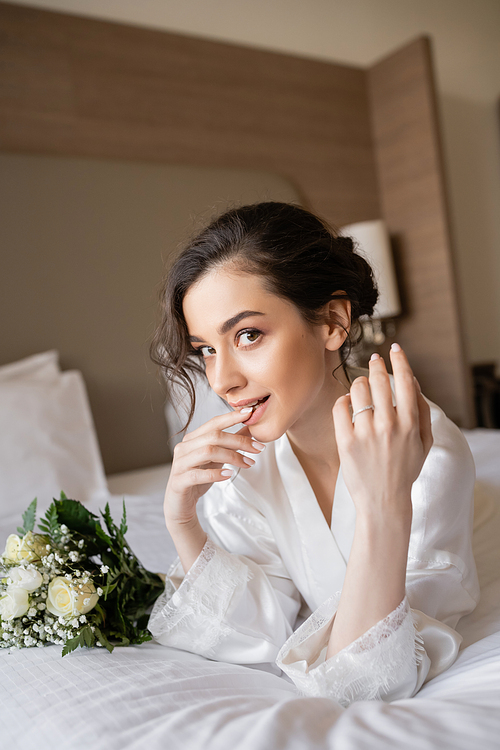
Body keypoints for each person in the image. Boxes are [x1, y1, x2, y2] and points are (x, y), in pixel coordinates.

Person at [148, 202, 479, 706]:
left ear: (331, 321)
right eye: (206, 349)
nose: (221, 381)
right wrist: (182, 520)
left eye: (249, 335)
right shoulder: (247, 466)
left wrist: (383, 503)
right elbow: (259, 626)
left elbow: (374, 674)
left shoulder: (424, 455)